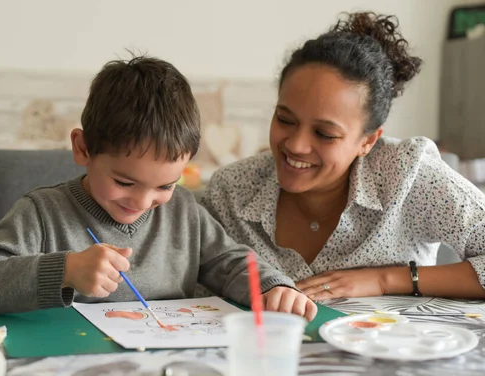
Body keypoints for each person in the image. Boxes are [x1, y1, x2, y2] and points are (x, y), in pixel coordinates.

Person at [0, 55, 317, 320]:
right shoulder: (42, 214)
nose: (143, 201)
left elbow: (231, 262)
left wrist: (274, 286)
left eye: (165, 185)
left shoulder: (183, 211)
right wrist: (64, 270)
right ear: (83, 149)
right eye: (124, 181)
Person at [202, 12, 485, 301]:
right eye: (285, 120)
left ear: (368, 140)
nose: (297, 145)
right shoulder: (231, 191)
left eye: (325, 134)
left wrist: (385, 280)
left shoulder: (407, 174)